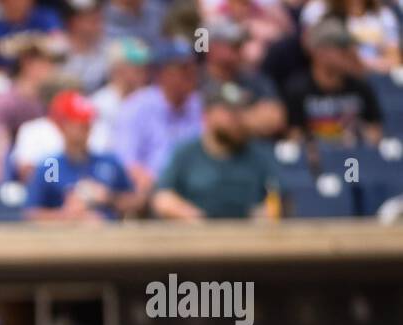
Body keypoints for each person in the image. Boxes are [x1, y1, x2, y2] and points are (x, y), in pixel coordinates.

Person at [153, 81, 279, 220]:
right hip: (196, 236)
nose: (237, 118)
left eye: (241, 110)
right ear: (207, 116)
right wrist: (195, 218)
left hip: (247, 236)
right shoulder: (186, 154)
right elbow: (162, 198)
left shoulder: (257, 155)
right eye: (230, 111)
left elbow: (277, 197)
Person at [112, 37, 203, 201]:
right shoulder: (136, 107)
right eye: (182, 69)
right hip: (153, 190)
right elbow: (125, 161)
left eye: (191, 68)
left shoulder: (200, 105)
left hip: (196, 187)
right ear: (161, 74)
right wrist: (155, 184)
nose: (190, 74)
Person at [25, 90, 137, 221]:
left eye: (87, 123)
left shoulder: (108, 161)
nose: (86, 128)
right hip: (64, 237)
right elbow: (31, 213)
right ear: (62, 126)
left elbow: (136, 202)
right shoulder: (51, 166)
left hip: (109, 234)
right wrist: (67, 216)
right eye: (78, 124)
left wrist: (109, 198)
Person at [281, 19, 383, 147]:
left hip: (355, 162)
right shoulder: (297, 89)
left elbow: (376, 132)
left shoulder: (361, 87)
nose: (350, 53)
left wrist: (362, 134)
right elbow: (293, 136)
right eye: (341, 47)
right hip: (316, 164)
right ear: (319, 51)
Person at [201, 18, 285, 138]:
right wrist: (252, 116)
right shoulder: (196, 81)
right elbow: (206, 125)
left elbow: (276, 119)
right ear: (212, 47)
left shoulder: (255, 79)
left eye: (240, 45)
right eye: (234, 46)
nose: (240, 50)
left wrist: (231, 120)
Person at [0, 0, 64, 69]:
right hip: (9, 77)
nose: (19, 2)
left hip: (46, 71)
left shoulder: (45, 17)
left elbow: (59, 46)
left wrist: (36, 43)